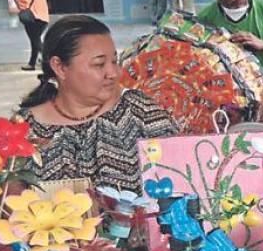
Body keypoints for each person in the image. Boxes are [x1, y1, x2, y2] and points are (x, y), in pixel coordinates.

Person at [18, 15, 178, 192]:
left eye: (114, 61)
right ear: (60, 67)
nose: (113, 73)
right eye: (99, 64)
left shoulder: (141, 112)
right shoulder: (23, 129)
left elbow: (181, 176)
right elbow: (9, 205)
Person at [4, 0, 50, 71]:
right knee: (35, 40)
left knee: (35, 40)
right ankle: (32, 64)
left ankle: (49, 61)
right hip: (43, 16)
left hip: (31, 16)